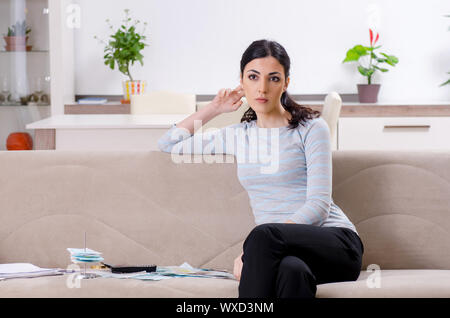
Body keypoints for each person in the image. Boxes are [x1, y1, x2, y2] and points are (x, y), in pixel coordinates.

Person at [157, 39, 364, 298]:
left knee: (263, 235)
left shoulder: (311, 128)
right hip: (284, 255)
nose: (262, 88)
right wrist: (215, 109)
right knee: (292, 272)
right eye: (253, 77)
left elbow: (319, 206)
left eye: (273, 78)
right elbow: (169, 143)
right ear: (242, 82)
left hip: (336, 244)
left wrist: (252, 252)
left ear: (286, 82)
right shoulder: (237, 135)